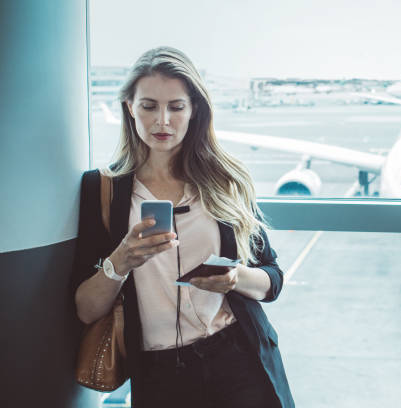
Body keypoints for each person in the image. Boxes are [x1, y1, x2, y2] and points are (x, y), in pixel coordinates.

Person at [71, 46, 294, 408]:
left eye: (176, 107)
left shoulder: (225, 179)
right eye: (149, 106)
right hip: (160, 373)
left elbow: (273, 279)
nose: (162, 121)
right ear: (129, 107)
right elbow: (85, 309)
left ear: (194, 111)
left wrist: (235, 278)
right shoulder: (102, 189)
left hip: (240, 358)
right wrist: (121, 260)